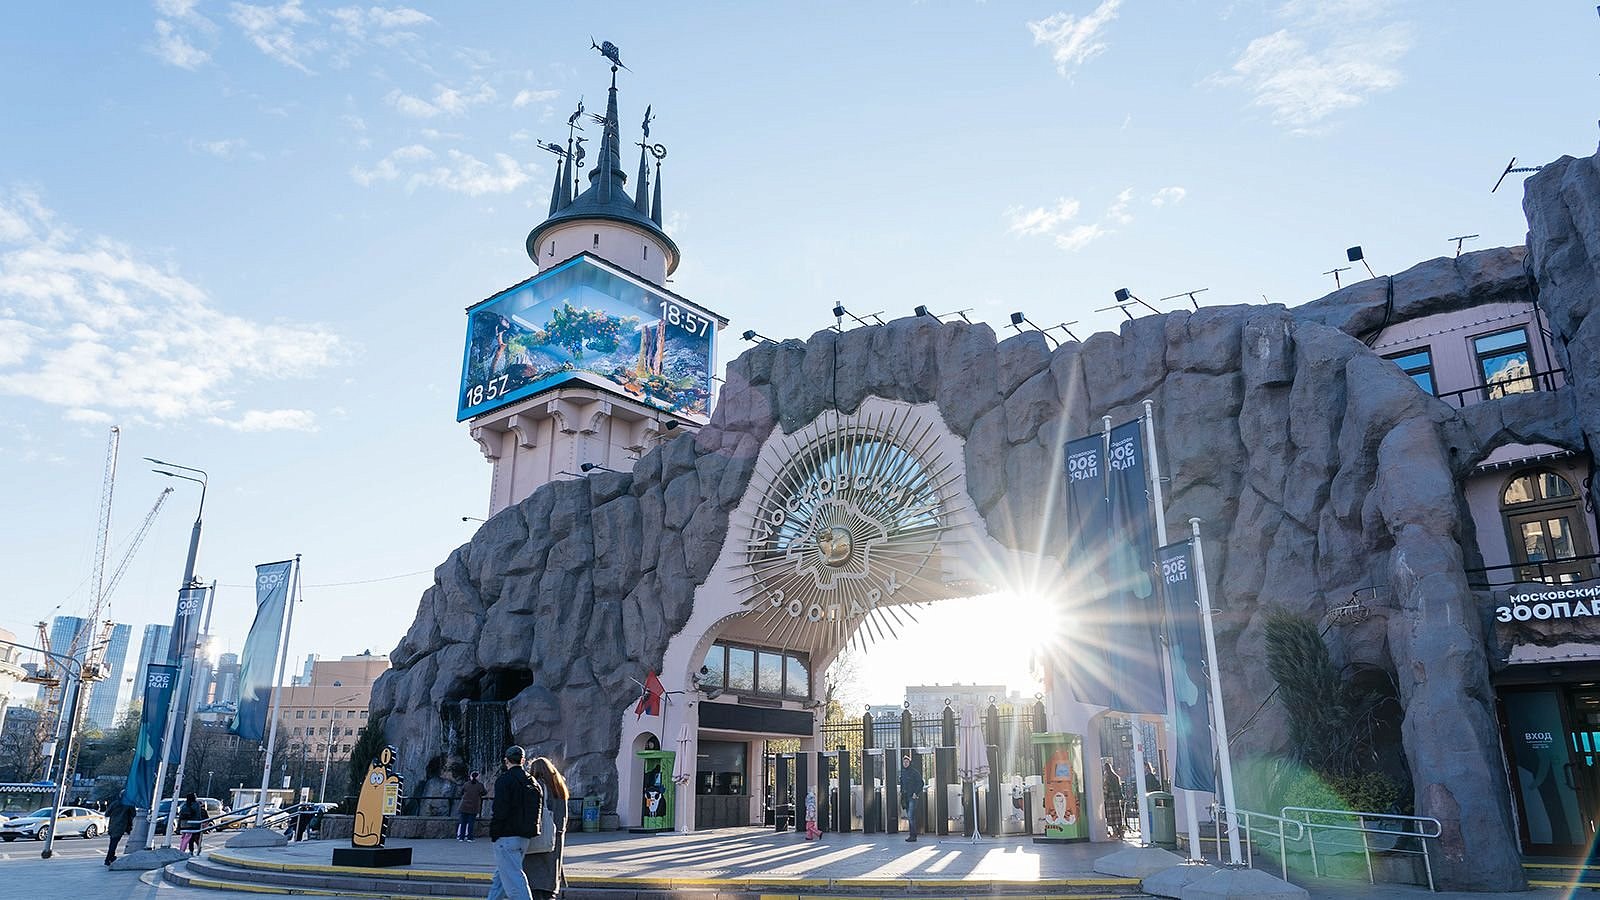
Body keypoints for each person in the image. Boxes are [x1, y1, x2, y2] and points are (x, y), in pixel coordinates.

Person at [488, 745, 542, 900]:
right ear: (523, 760)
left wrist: (494, 833)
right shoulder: (533, 782)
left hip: (506, 836)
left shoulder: (504, 780)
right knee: (500, 880)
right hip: (524, 837)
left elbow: (500, 809)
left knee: (514, 883)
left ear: (506, 761)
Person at [522, 757, 569, 900]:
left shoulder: (534, 787)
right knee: (549, 883)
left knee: (534, 884)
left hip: (537, 838)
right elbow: (563, 817)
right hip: (555, 839)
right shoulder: (560, 788)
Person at [898, 755, 925, 843]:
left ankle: (913, 835)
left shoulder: (914, 772)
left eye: (907, 762)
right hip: (905, 796)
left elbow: (921, 783)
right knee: (910, 816)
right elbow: (902, 783)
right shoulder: (903, 772)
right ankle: (912, 835)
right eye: (904, 762)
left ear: (909, 763)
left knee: (910, 816)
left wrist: (916, 793)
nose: (905, 763)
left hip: (912, 797)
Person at [104, 796, 134, 866]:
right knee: (113, 843)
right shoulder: (129, 804)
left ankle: (111, 857)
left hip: (112, 825)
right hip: (121, 826)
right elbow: (133, 814)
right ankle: (108, 859)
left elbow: (107, 813)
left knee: (113, 842)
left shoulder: (115, 803)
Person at [459, 770, 488, 842]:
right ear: (478, 777)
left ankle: (461, 837)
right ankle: (469, 837)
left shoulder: (466, 784)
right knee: (471, 822)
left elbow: (461, 792)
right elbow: (484, 792)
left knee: (463, 822)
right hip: (473, 806)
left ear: (471, 776)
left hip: (464, 806)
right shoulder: (480, 785)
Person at [1101, 760, 1125, 841]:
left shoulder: (1106, 777)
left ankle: (1115, 832)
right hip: (1116, 798)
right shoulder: (1116, 777)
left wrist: (1104, 798)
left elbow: (1106, 789)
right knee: (1117, 815)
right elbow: (1119, 788)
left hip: (1110, 798)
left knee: (1111, 816)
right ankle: (1121, 832)